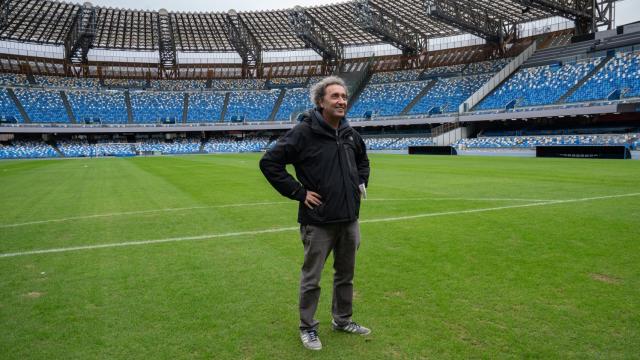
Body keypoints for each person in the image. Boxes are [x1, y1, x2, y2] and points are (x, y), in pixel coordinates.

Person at [259, 76, 371, 351]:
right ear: (321, 101)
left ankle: (342, 320)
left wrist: (360, 184)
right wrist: (299, 193)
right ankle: (307, 327)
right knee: (312, 278)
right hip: (318, 222)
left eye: (344, 96)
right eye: (335, 96)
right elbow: (269, 163)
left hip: (349, 220)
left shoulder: (349, 133)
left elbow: (363, 161)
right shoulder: (303, 132)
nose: (342, 101)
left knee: (346, 275)